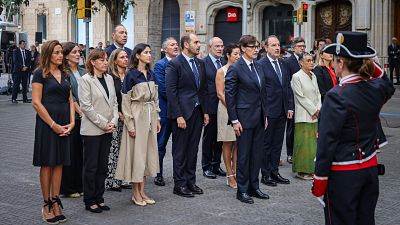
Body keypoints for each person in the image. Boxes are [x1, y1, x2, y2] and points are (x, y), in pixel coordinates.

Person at [312, 31, 395, 225]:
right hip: (369, 168)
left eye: (335, 60)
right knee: (365, 219)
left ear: (340, 63)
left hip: (343, 173)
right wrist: (369, 63)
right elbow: (387, 84)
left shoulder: (336, 95)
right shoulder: (375, 89)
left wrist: (320, 180)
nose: (333, 63)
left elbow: (327, 142)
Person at [32, 40, 75, 224]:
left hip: (65, 122)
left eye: (61, 53)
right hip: (47, 123)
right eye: (56, 52)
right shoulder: (39, 73)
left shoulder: (65, 73)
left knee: (59, 163)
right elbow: (36, 102)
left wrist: (72, 122)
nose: (60, 56)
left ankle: (56, 200)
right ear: (48, 54)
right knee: (47, 163)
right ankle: (46, 203)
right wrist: (53, 124)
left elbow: (71, 100)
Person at [115, 43, 161, 206]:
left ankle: (142, 191)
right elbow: (125, 102)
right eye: (146, 52)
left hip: (150, 117)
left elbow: (155, 99)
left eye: (150, 52)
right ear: (138, 55)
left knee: (147, 154)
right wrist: (130, 124)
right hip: (137, 116)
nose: (149, 55)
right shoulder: (131, 75)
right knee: (137, 155)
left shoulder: (151, 73)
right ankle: (135, 193)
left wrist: (157, 119)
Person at [225, 35, 269, 204]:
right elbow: (230, 96)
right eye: (252, 47)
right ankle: (242, 190)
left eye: (257, 46)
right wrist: (234, 120)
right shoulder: (236, 68)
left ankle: (254, 187)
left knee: (257, 154)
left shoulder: (258, 66)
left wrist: (264, 115)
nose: (256, 50)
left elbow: (263, 93)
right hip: (243, 119)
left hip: (259, 118)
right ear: (243, 48)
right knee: (243, 155)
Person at [165, 33, 209, 198]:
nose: (199, 45)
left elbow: (202, 89)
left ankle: (191, 181)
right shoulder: (175, 64)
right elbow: (171, 91)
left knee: (193, 149)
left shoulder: (200, 63)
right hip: (182, 114)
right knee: (180, 150)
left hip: (197, 112)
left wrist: (205, 112)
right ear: (186, 45)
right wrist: (178, 115)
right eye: (196, 42)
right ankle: (180, 184)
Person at [79, 49, 119, 213]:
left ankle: (99, 197)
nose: (105, 62)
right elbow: (86, 107)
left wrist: (114, 121)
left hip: (108, 128)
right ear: (93, 61)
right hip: (92, 130)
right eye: (101, 60)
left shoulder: (109, 78)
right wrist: (104, 123)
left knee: (102, 166)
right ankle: (90, 200)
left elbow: (115, 102)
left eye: (105, 60)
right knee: (91, 167)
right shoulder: (85, 80)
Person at [259, 35, 293, 187]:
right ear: (266, 47)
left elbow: (287, 87)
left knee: (278, 143)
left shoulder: (283, 64)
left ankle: (274, 171)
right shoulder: (260, 64)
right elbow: (260, 92)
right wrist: (263, 113)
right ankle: (265, 174)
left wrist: (290, 106)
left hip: (282, 110)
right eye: (273, 45)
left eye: (278, 45)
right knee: (266, 144)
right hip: (268, 111)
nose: (277, 48)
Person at [60, 42, 86, 199]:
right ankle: (69, 187)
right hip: (73, 117)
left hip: (87, 116)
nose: (78, 54)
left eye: (79, 52)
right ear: (66, 54)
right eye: (75, 52)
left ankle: (80, 184)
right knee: (71, 152)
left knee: (82, 153)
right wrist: (81, 113)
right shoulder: (64, 73)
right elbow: (72, 97)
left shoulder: (83, 71)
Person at [153, 37, 179, 186]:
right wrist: (178, 101)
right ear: (164, 49)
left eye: (176, 44)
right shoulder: (160, 65)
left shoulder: (181, 63)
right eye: (172, 45)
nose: (175, 46)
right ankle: (158, 174)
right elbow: (163, 89)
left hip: (179, 112)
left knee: (178, 146)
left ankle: (178, 174)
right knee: (161, 144)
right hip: (165, 111)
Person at [291, 53, 321, 180]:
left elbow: (318, 93)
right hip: (304, 114)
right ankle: (302, 171)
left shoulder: (313, 75)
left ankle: (311, 169)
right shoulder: (296, 76)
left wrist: (319, 109)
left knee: (312, 144)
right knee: (303, 144)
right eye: (308, 60)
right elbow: (300, 96)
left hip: (315, 114)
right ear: (301, 63)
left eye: (312, 60)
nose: (311, 62)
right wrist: (313, 110)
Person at [215, 43, 240, 189]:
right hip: (226, 109)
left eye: (239, 53)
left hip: (239, 110)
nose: (237, 56)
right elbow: (220, 93)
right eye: (235, 54)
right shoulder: (221, 71)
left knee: (237, 142)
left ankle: (237, 172)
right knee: (227, 142)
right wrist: (232, 107)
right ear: (228, 55)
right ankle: (229, 175)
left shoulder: (239, 70)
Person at [104, 48, 130, 192]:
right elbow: (111, 98)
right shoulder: (110, 77)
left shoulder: (130, 75)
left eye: (126, 57)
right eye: (122, 57)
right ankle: (112, 180)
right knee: (114, 149)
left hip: (129, 117)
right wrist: (118, 113)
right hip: (115, 117)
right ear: (115, 60)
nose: (125, 59)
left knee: (126, 149)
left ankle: (124, 179)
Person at [202, 37, 226, 179]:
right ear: (210, 47)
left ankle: (216, 165)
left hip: (222, 106)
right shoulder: (203, 63)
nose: (220, 48)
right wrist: (204, 110)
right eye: (217, 46)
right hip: (210, 106)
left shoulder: (223, 62)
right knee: (208, 138)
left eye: (221, 46)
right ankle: (206, 166)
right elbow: (203, 88)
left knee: (220, 138)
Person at [284, 37, 305, 164]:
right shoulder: (288, 62)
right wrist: (289, 103)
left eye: (303, 46)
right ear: (293, 48)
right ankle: (290, 153)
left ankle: (300, 151)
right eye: (299, 46)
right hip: (292, 99)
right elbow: (286, 83)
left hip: (303, 99)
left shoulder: (306, 60)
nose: (302, 48)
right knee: (291, 128)